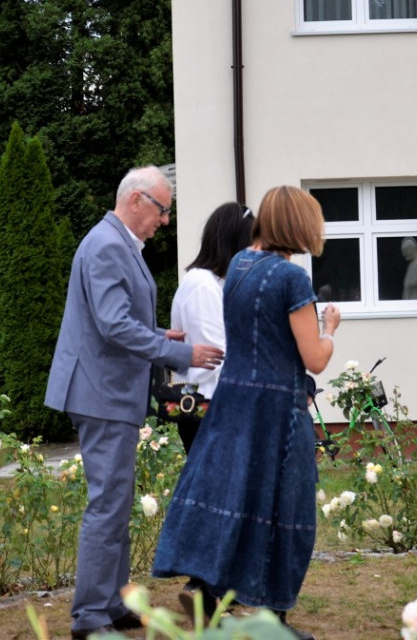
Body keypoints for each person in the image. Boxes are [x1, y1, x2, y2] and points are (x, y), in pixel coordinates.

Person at [44, 166, 225, 640]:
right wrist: (180, 353)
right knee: (107, 505)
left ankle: (110, 604)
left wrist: (158, 335)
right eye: (163, 210)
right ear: (138, 200)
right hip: (102, 393)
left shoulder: (116, 242)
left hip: (109, 390)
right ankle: (89, 617)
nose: (165, 221)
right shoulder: (107, 244)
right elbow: (112, 325)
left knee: (116, 502)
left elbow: (116, 320)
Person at [153, 186, 340, 640]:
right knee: (285, 509)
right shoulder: (291, 280)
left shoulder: (239, 265)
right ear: (297, 225)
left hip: (236, 404)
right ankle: (273, 619)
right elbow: (314, 358)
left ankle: (205, 589)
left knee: (234, 500)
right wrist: (329, 327)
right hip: (278, 410)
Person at [163, 201, 255, 453]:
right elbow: (217, 358)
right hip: (211, 408)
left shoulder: (212, 284)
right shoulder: (202, 286)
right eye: (250, 245)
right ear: (233, 244)